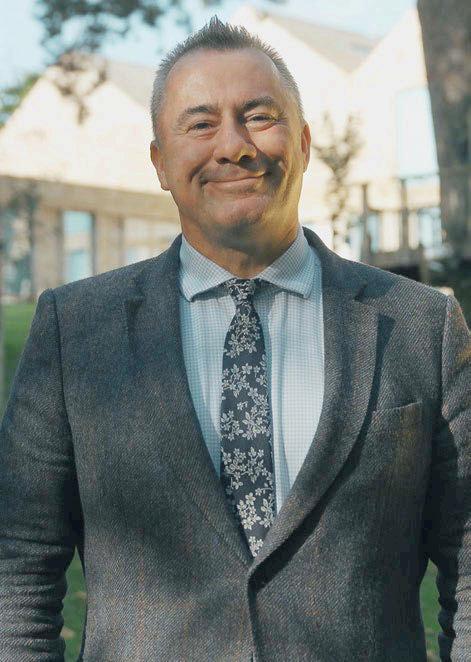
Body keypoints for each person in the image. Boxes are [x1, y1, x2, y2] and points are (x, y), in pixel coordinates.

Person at [0, 16, 470, 662]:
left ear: (304, 143)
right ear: (160, 163)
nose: (234, 146)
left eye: (259, 116)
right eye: (200, 124)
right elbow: (19, 565)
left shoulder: (422, 326)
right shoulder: (74, 331)